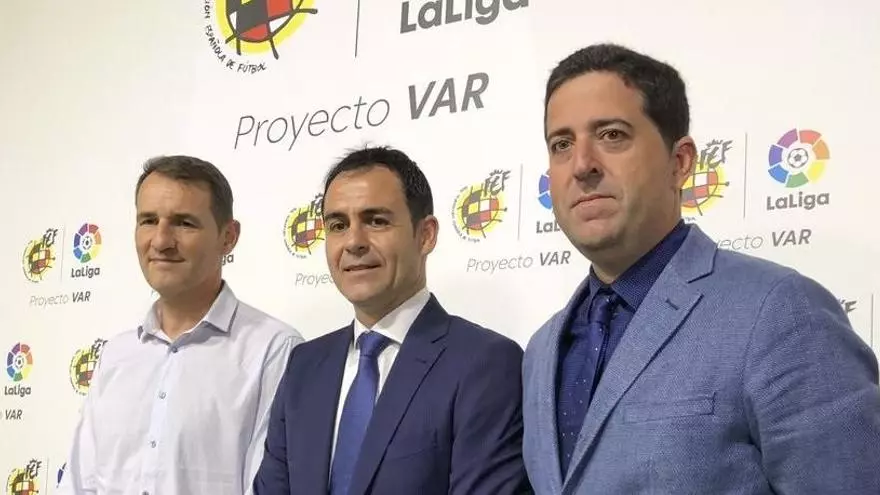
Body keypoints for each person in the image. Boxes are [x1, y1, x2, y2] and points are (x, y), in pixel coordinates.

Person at [522, 43, 880, 494]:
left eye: (612, 135)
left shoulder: (780, 312)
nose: (582, 165)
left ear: (680, 163)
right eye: (562, 144)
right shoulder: (541, 350)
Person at [253, 145, 530, 494]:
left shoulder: (484, 363)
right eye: (338, 225)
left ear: (425, 234)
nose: (353, 242)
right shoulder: (304, 366)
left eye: (376, 221)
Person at [57, 155, 304, 495]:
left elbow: (267, 488)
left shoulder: (273, 350)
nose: (161, 240)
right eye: (148, 220)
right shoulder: (115, 355)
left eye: (184, 223)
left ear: (228, 237)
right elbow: (78, 484)